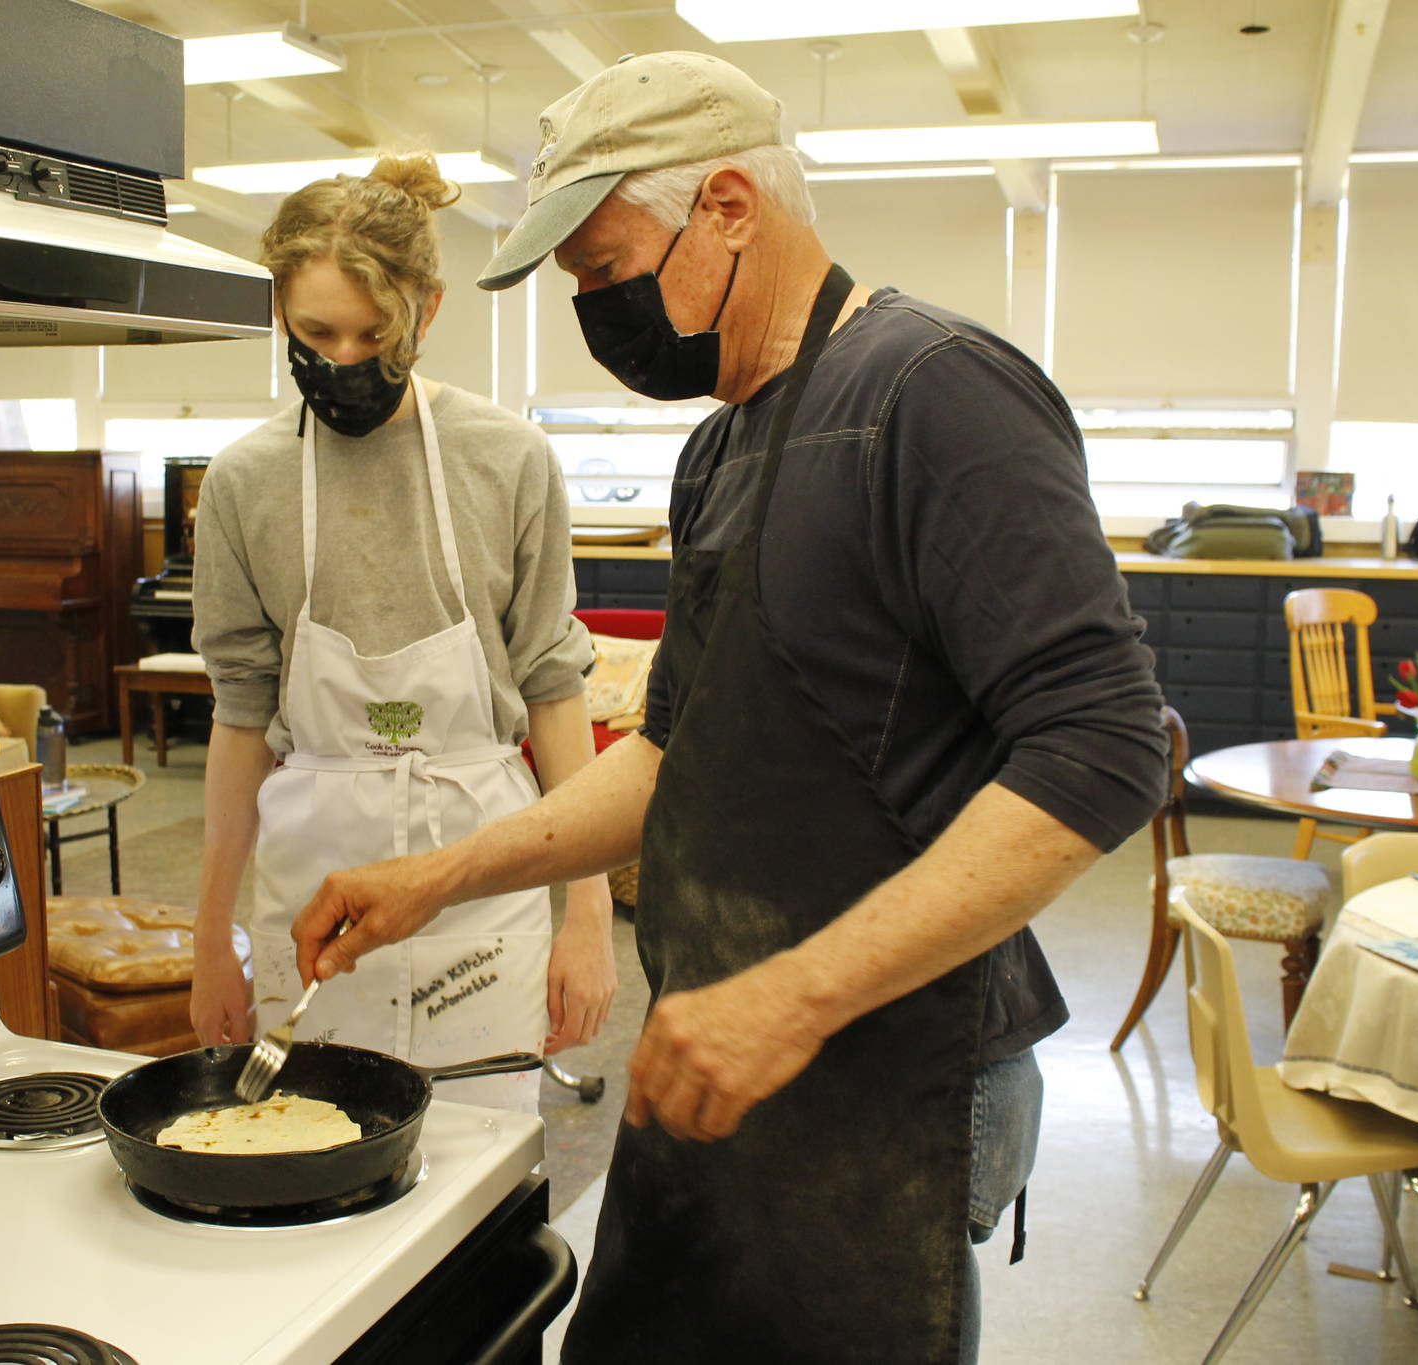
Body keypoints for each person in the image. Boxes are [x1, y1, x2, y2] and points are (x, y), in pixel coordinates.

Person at [289, 55, 1166, 1361]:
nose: (594, 306)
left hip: (887, 1078)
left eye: (601, 266)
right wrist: (447, 874)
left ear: (731, 207)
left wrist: (795, 997)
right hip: (729, 1060)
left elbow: (1105, 743)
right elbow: (671, 751)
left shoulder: (936, 393)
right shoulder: (724, 447)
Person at [185, 153, 618, 1111]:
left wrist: (585, 912)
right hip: (312, 880)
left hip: (481, 862)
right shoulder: (245, 483)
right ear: (277, 314)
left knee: (481, 1160)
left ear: (428, 308)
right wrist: (215, 934)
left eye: (373, 333)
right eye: (315, 331)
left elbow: (552, 688)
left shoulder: (508, 458)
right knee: (309, 1146)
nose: (343, 360)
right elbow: (241, 714)